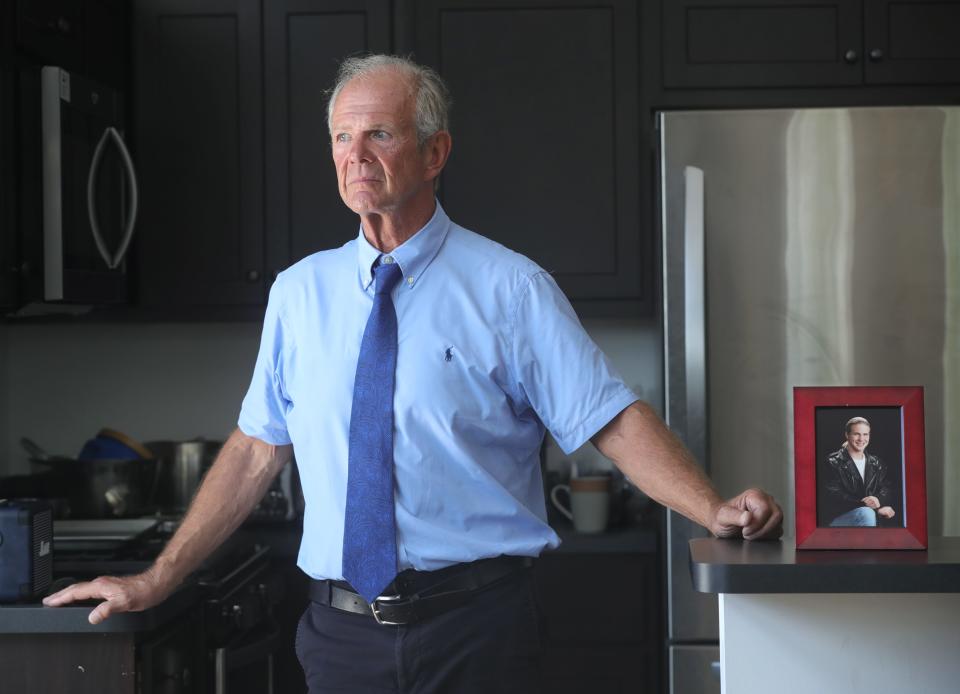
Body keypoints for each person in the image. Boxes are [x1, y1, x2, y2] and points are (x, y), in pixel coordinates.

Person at [44, 54, 783, 692]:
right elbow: (255, 449)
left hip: (478, 631)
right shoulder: (298, 294)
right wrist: (155, 579)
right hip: (340, 639)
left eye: (380, 133)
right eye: (341, 136)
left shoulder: (510, 288)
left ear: (435, 153)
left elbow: (609, 418)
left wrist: (710, 508)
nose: (355, 153)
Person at [820, 416, 895, 527]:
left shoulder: (877, 463)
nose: (861, 439)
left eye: (865, 434)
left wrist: (879, 500)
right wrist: (869, 506)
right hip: (838, 519)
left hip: (867, 515)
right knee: (867, 514)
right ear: (847, 435)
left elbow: (885, 488)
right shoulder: (832, 462)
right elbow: (833, 496)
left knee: (887, 513)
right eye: (856, 434)